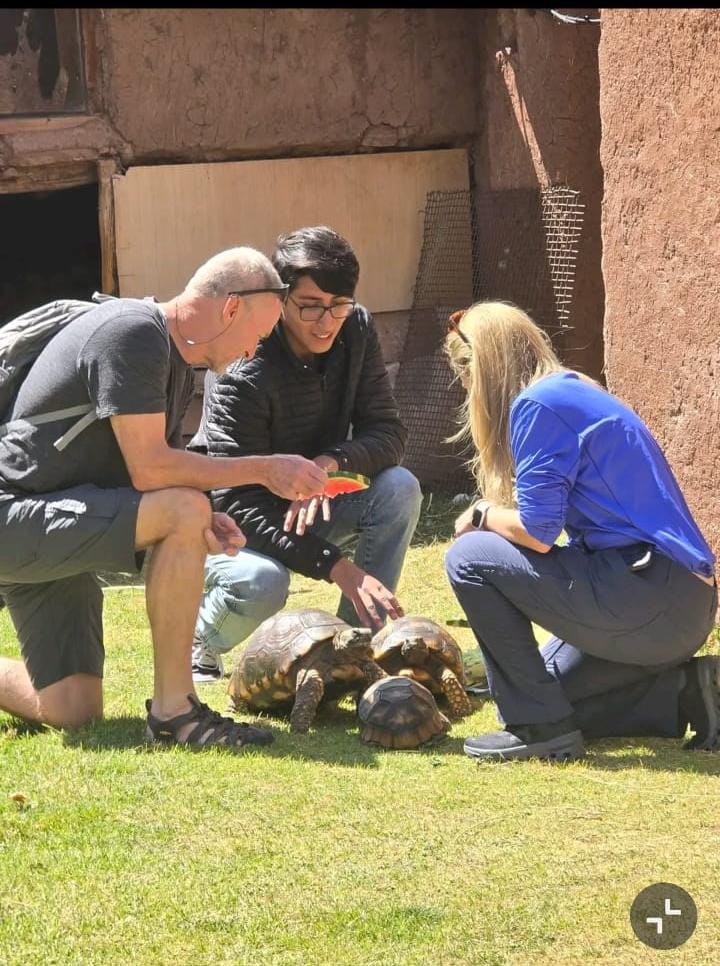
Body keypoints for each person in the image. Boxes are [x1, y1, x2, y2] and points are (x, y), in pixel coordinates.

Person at [0, 247, 330, 750]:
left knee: (73, 710)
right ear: (231, 309)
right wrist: (264, 469)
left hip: (54, 532)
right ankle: (175, 712)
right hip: (14, 518)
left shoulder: (174, 360)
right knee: (183, 512)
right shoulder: (134, 334)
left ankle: (166, 707)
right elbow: (150, 466)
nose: (250, 354)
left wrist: (208, 516)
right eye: (258, 338)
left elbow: (156, 475)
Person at [443, 301, 718, 761]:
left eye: (466, 378)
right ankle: (690, 691)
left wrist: (480, 516)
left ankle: (539, 731)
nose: (468, 390)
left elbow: (537, 532)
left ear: (483, 368)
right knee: (548, 693)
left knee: (468, 558)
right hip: (677, 603)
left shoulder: (537, 405)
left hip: (649, 590)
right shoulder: (573, 391)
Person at [188, 226, 422, 682]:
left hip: (311, 503)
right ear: (281, 297)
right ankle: (200, 638)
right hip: (232, 521)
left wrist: (325, 467)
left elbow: (388, 432)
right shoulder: (244, 363)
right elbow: (234, 499)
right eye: (310, 306)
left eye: (339, 305)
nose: (326, 321)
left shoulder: (356, 328)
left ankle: (356, 651)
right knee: (263, 583)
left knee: (400, 488)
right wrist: (339, 568)